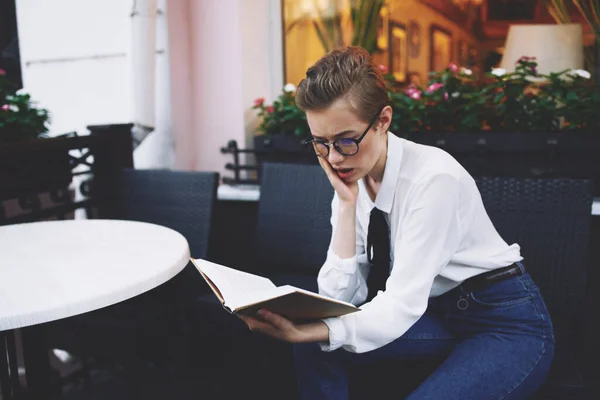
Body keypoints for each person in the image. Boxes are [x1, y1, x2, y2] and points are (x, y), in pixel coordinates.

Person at [237, 46, 554, 400]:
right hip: (437, 314)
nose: (336, 157)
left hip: (503, 322)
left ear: (383, 120)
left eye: (346, 140)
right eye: (321, 143)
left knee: (318, 335)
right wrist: (346, 206)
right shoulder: (350, 181)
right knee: (315, 342)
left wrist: (312, 331)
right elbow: (337, 298)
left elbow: (400, 304)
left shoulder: (434, 178)